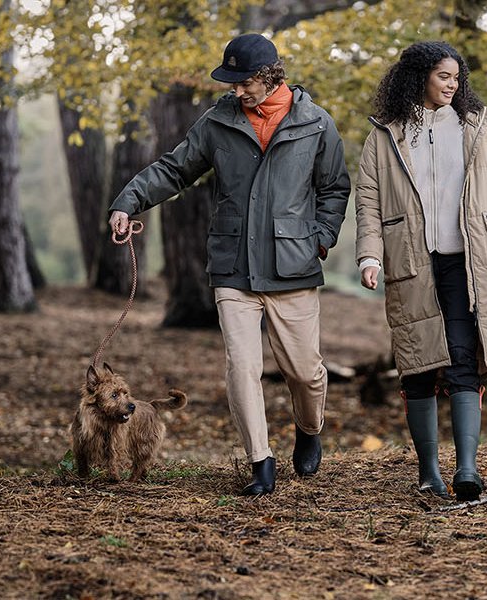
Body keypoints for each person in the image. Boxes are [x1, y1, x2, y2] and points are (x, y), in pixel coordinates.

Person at [107, 33, 350, 496]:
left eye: (244, 83)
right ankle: (260, 460)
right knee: (242, 367)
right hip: (233, 265)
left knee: (305, 371)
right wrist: (128, 201)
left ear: (268, 76)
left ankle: (309, 427)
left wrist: (320, 238)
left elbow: (335, 187)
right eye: (232, 83)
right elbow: (174, 169)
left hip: (293, 265)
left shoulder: (316, 124)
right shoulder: (218, 121)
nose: (236, 91)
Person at [354, 41, 487, 502]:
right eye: (444, 76)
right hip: (410, 262)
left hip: (465, 263)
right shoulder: (385, 136)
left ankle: (467, 470)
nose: (453, 84)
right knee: (418, 367)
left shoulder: (474, 128)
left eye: (457, 77)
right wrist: (369, 255)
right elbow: (368, 202)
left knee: (465, 360)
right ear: (419, 76)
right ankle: (429, 472)